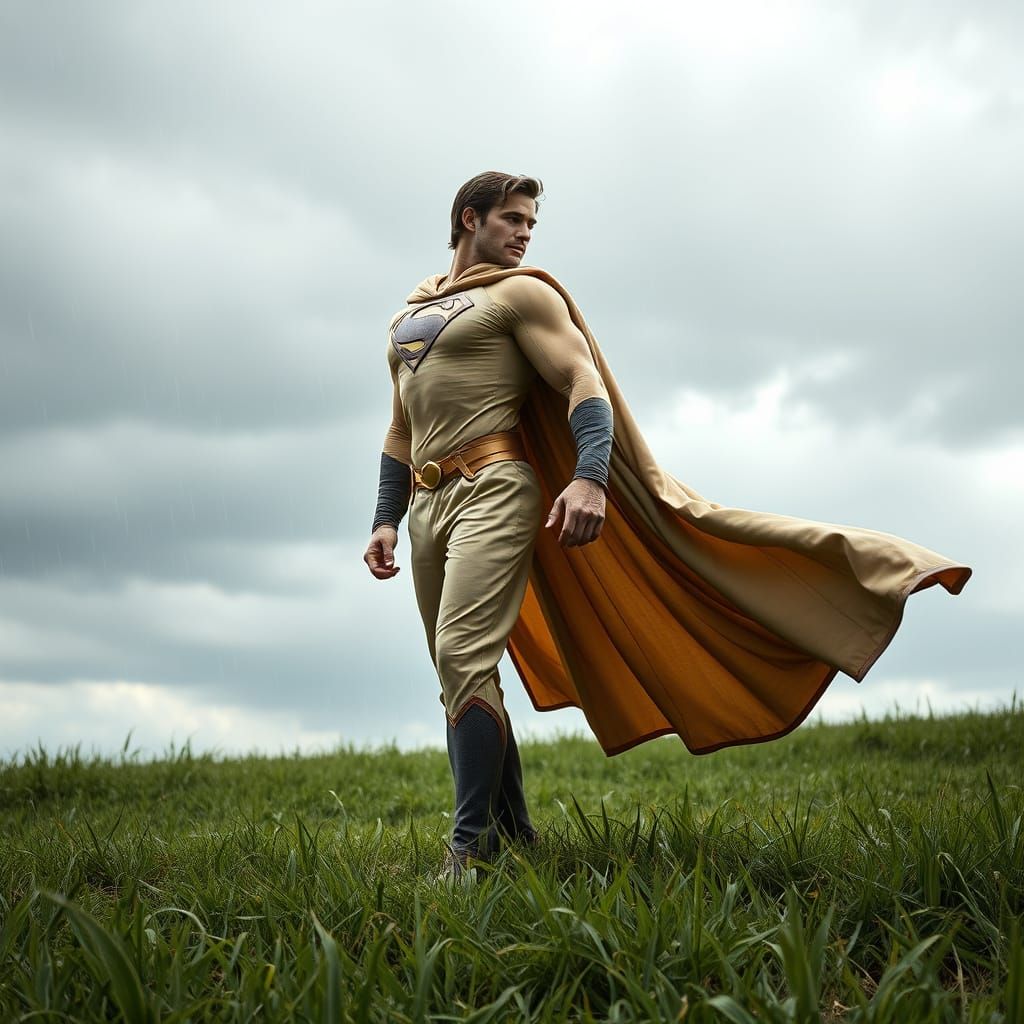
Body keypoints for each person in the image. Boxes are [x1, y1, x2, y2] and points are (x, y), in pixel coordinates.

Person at [364, 171, 972, 875]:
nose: (527, 234)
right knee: (458, 671)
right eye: (513, 220)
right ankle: (514, 836)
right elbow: (400, 430)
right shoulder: (409, 316)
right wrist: (385, 518)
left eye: (532, 223)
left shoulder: (523, 294)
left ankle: (468, 853)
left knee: (465, 657)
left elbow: (581, 378)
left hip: (494, 487)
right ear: (469, 219)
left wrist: (590, 476)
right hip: (427, 505)